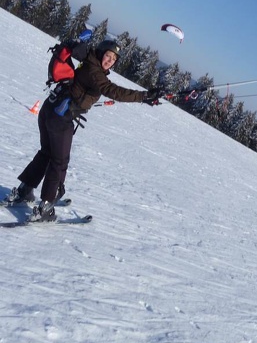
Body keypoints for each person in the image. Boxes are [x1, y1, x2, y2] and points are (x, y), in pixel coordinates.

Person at [13, 39, 162, 221]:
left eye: (114, 59)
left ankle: (24, 191)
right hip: (61, 117)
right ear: (100, 53)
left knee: (46, 153)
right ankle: (45, 207)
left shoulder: (90, 64)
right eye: (108, 55)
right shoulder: (94, 70)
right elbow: (112, 90)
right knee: (59, 161)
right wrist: (143, 96)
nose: (110, 60)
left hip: (50, 110)